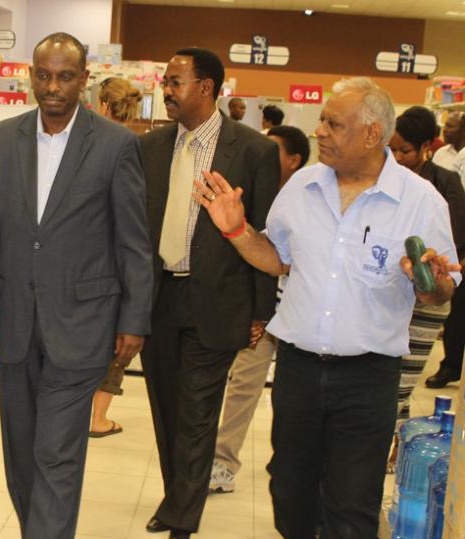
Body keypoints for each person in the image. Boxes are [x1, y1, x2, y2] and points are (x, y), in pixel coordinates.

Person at [193, 77, 461, 539]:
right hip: (297, 371)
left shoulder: (420, 201)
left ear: (372, 134)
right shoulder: (302, 185)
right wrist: (238, 231)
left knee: (352, 504)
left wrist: (434, 282)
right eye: (322, 121)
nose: (319, 131)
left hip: (368, 376)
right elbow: (277, 257)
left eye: (333, 124)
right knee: (289, 492)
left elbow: (440, 289)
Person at [0, 33, 152, 539]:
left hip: (83, 326)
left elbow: (133, 242)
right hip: (12, 325)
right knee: (22, 455)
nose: (53, 86)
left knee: (57, 456)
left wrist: (135, 320)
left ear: (84, 80)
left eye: (65, 76)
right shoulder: (4, 139)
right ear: (30, 76)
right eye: (44, 75)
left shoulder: (115, 145)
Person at [138, 47, 280, 539]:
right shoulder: (152, 147)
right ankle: (176, 496)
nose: (166, 90)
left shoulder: (254, 151)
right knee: (166, 409)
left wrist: (263, 310)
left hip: (218, 302)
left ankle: (182, 519)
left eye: (176, 81)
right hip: (159, 299)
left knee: (197, 412)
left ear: (207, 87)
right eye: (165, 81)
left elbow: (265, 234)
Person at [210, 125, 310, 494]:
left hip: (304, 318)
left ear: (295, 160)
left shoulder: (309, 197)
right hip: (265, 315)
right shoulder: (254, 193)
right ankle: (222, 461)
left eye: (274, 150)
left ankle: (287, 462)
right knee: (243, 385)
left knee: (295, 397)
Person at [386, 105, 465, 467]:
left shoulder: (444, 182)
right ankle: (389, 442)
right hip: (390, 291)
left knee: (403, 380)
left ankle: (400, 448)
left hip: (429, 298)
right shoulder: (385, 179)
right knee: (386, 375)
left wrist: (429, 271)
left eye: (405, 150)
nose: (399, 157)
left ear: (424, 148)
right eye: (394, 149)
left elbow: (454, 242)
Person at [89, 75, 143, 438]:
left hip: (85, 261)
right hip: (121, 264)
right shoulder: (139, 147)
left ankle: (81, 415)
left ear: (103, 105)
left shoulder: (88, 142)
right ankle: (98, 418)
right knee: (117, 347)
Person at [426, 109, 465, 389]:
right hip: (451, 243)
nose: (449, 130)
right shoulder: (448, 156)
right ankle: (451, 366)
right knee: (456, 313)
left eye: (454, 126)